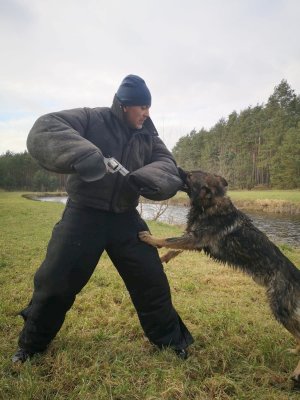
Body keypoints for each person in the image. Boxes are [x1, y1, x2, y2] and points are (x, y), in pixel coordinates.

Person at [12, 74, 194, 363]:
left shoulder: (148, 136)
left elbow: (168, 166)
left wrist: (144, 176)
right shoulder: (92, 118)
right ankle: (31, 346)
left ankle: (172, 343)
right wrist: (87, 153)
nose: (146, 113)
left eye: (149, 107)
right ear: (123, 105)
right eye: (141, 107)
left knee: (152, 280)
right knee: (55, 281)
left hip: (125, 218)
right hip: (83, 213)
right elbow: (46, 128)